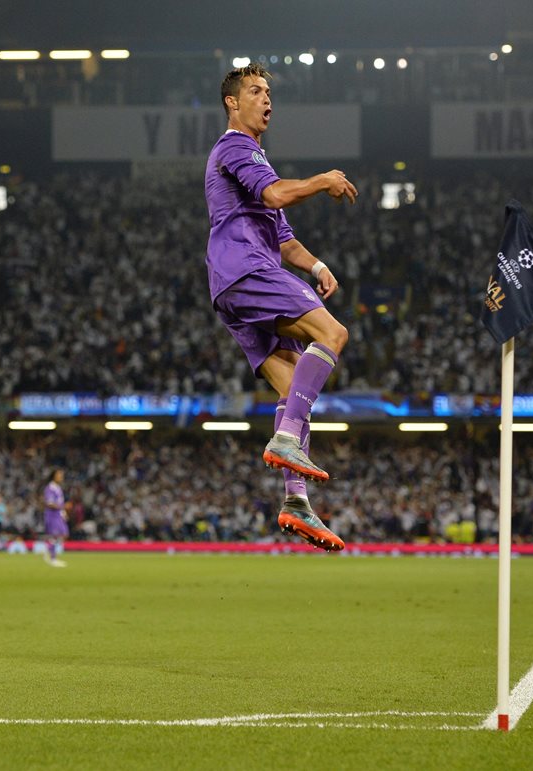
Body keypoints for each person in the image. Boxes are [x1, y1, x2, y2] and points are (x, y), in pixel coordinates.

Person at [203, 62, 357, 552]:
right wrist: (322, 179)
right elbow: (275, 194)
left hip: (232, 283)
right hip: (246, 268)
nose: (267, 99)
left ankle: (295, 501)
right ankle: (285, 441)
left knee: (294, 389)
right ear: (233, 102)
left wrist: (317, 267)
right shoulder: (236, 147)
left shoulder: (255, 158)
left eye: (269, 92)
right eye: (256, 90)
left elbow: (284, 238)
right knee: (332, 335)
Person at [42, 470, 68, 567]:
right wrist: (64, 507)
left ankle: (48, 551)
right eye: (59, 475)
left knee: (64, 534)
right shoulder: (50, 488)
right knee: (55, 536)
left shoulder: (58, 488)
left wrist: (63, 512)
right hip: (52, 515)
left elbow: (59, 502)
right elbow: (49, 503)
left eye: (62, 474)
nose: (61, 476)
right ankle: (52, 559)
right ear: (53, 476)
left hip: (58, 515)